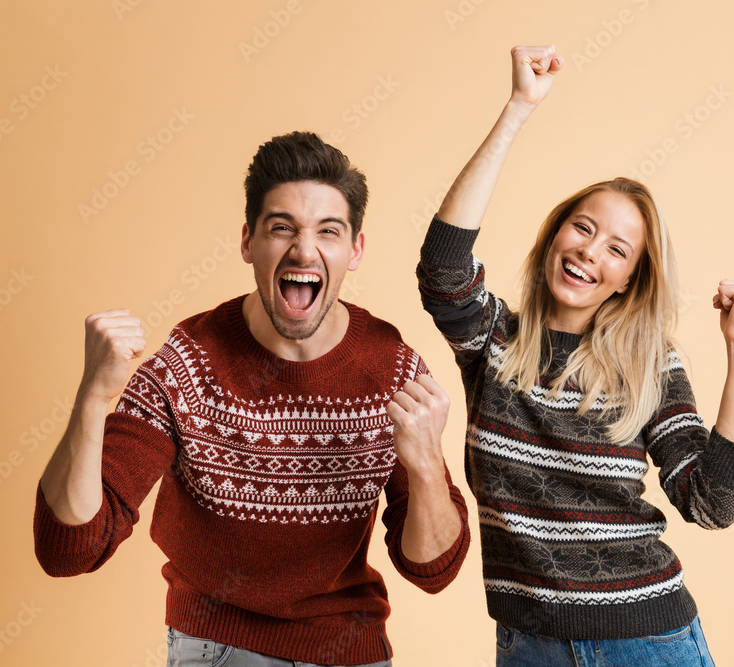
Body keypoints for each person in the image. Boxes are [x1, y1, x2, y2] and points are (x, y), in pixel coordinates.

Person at [34, 131, 470, 667]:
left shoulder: (390, 367)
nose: (303, 249)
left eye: (327, 231)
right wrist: (91, 398)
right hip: (216, 648)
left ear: (355, 249)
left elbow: (434, 570)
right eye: (281, 227)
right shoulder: (189, 362)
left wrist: (426, 465)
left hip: (348, 648)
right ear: (248, 242)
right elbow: (69, 549)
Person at [416, 46, 734, 666]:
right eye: (582, 227)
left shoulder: (648, 365)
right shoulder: (493, 340)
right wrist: (520, 108)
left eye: (617, 249)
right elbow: (443, 266)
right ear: (555, 232)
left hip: (647, 639)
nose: (589, 252)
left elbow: (711, 500)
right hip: (528, 644)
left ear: (630, 279)